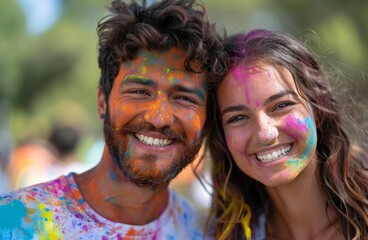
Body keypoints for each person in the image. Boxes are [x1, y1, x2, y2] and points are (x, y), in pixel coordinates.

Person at [0, 0, 226, 239]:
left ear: (206, 119)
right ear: (102, 102)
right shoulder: (15, 223)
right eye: (139, 91)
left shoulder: (206, 234)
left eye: (184, 98)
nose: (159, 118)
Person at [206, 29, 368, 239]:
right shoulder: (225, 236)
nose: (264, 133)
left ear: (317, 110)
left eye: (281, 105)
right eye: (238, 118)